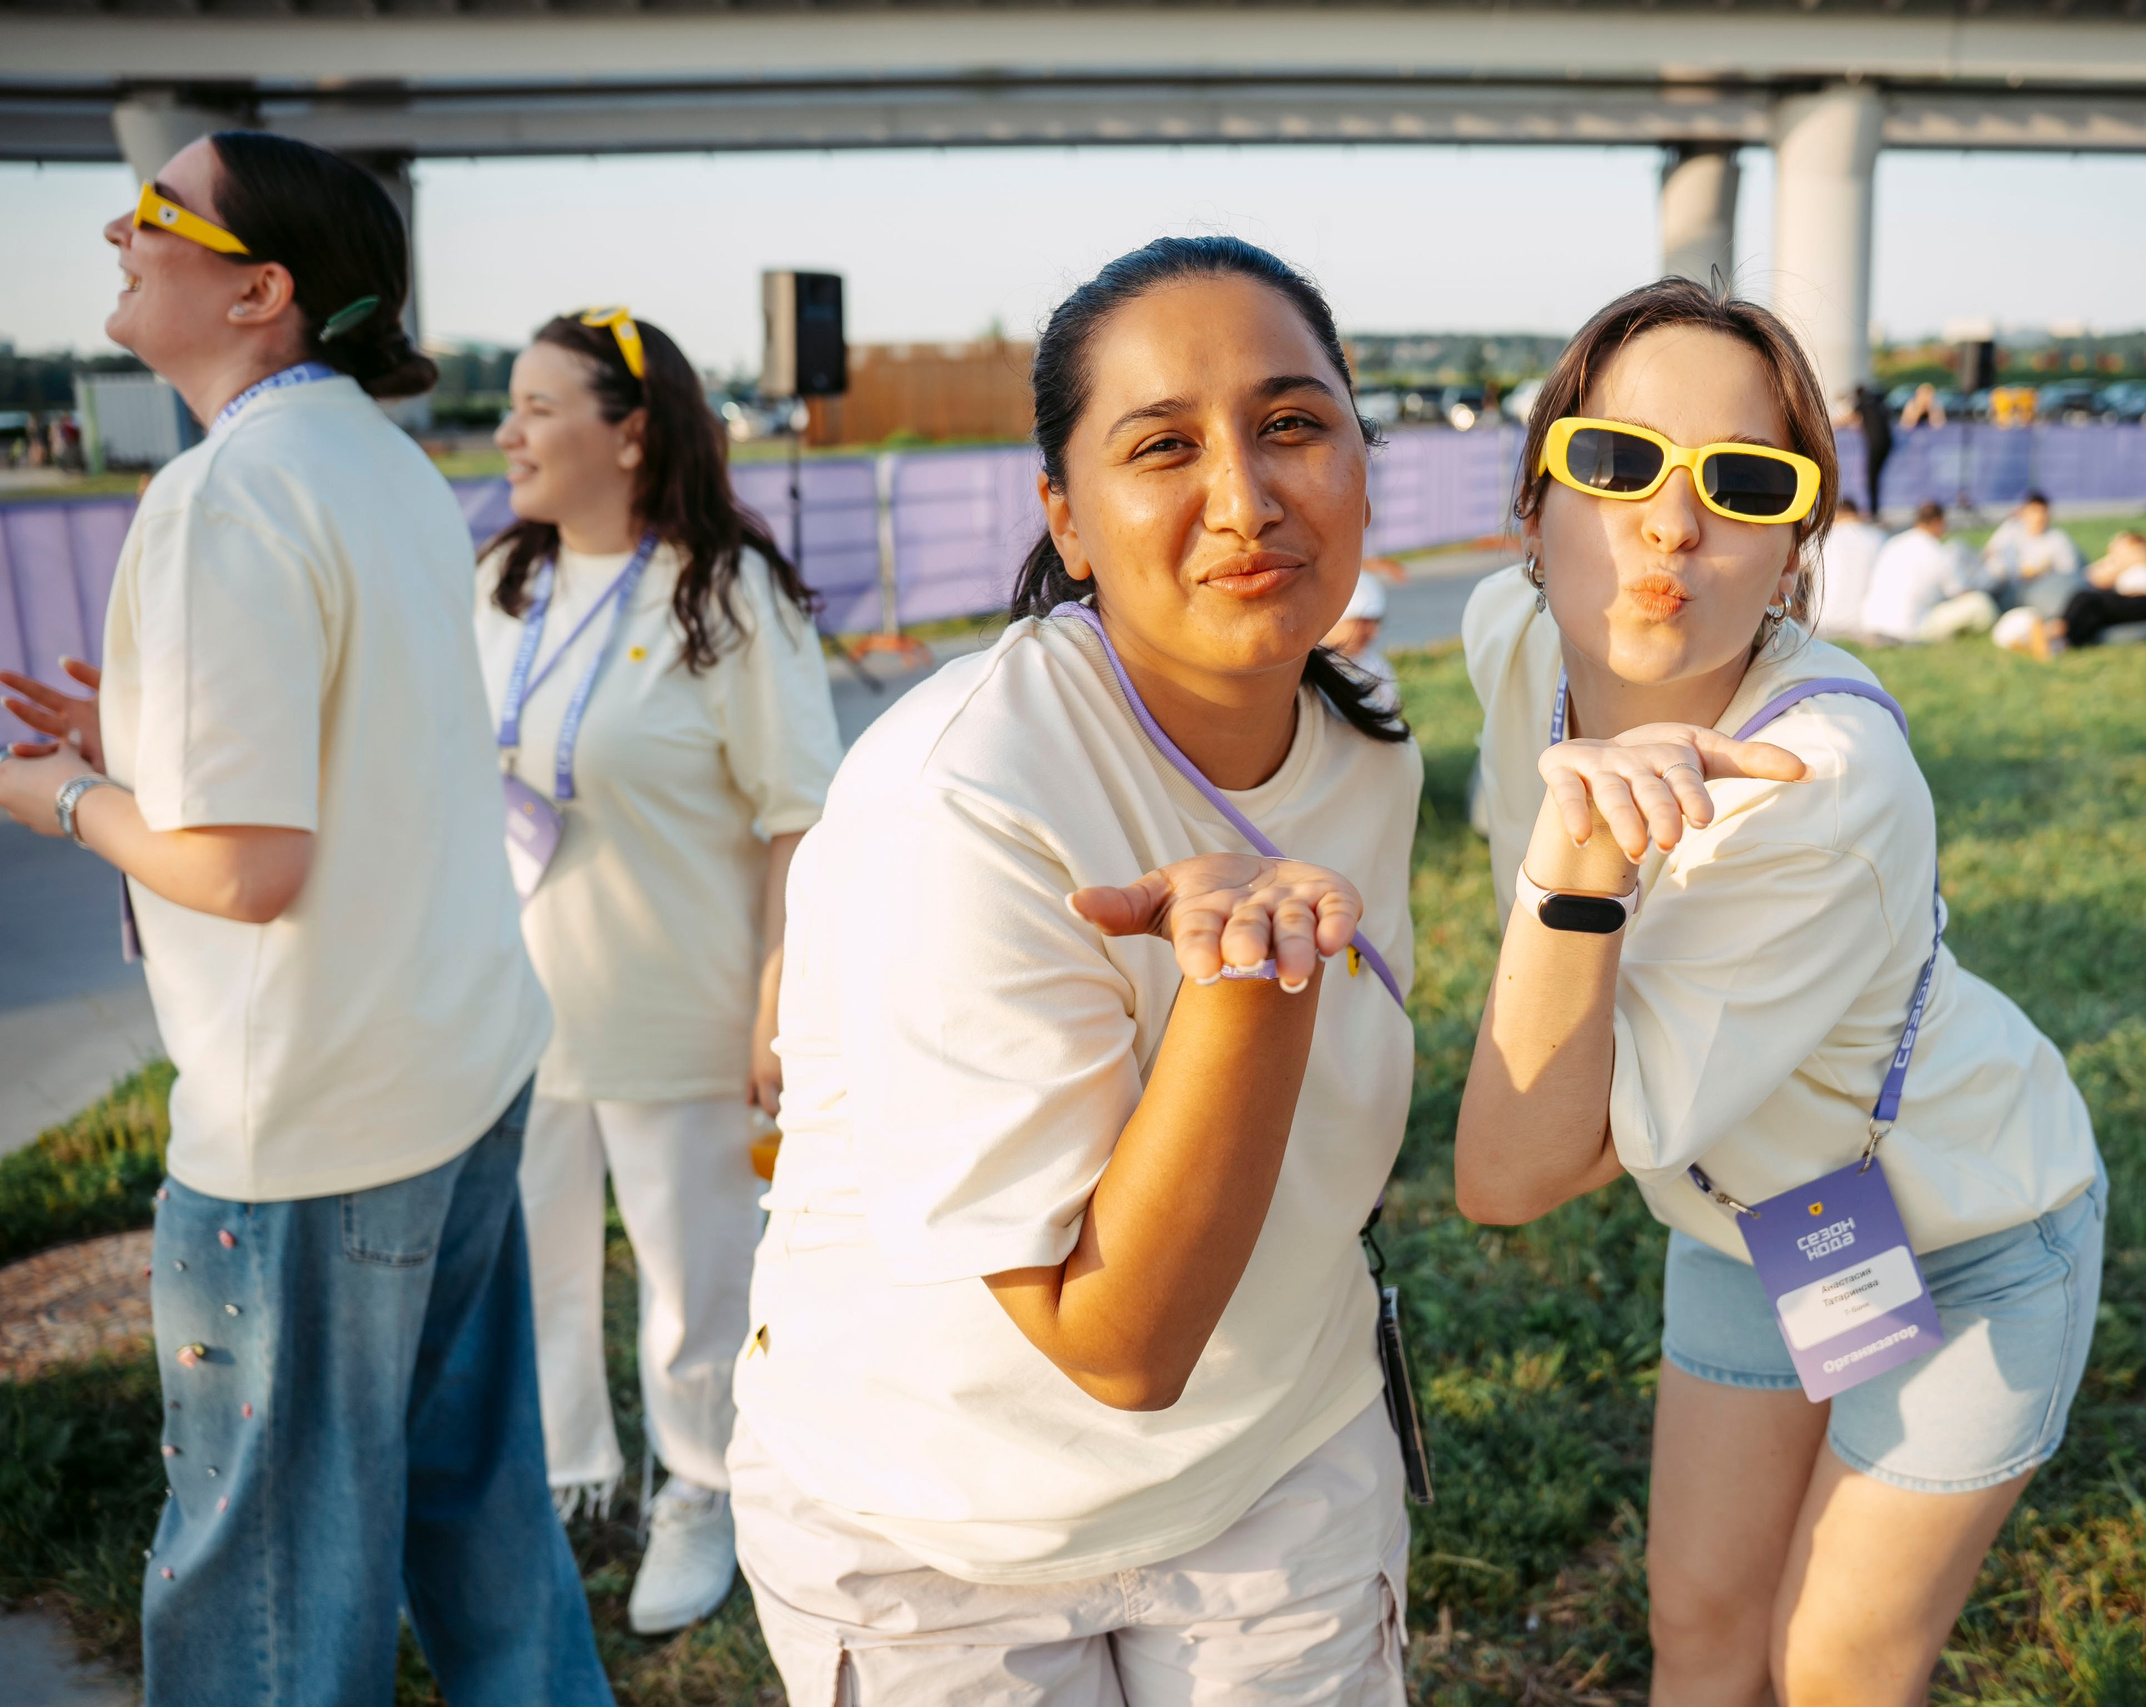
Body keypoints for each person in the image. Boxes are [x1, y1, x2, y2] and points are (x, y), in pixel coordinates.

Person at [729, 236, 1422, 1703]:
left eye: (1295, 423)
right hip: (939, 1520)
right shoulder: (970, 794)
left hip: (1279, 1462)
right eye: (1163, 446)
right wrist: (1256, 974)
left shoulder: (1370, 748)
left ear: (1367, 455)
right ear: (1068, 513)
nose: (1247, 497)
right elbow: (1116, 1340)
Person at [0, 132, 608, 1705]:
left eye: (156, 211)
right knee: (480, 1523)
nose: (118, 231)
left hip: (311, 1132)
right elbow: (361, 747)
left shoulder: (223, 494)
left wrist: (55, 796)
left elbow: (244, 868)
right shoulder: (379, 462)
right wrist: (141, 735)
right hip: (452, 1071)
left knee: (263, 1592)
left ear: (259, 290)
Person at [1454, 277, 2103, 1705]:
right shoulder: (1517, 641)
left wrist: (1575, 873)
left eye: (1743, 482)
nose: (1669, 523)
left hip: (1971, 1230)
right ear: (1531, 508)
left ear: (1797, 552)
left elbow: (1511, 1170)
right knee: (1699, 1624)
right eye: (1614, 461)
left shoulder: (1814, 786)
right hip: (1785, 1221)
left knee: (1833, 1667)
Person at [478, 309, 842, 1632]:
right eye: (508, 406)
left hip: (682, 1010)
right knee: (538, 1265)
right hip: (513, 1009)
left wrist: (776, 1001)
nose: (505, 432)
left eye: (534, 406)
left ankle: (703, 1482)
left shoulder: (727, 593)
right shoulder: (498, 585)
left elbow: (801, 812)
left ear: (627, 434)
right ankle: (577, 1476)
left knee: (695, 1279)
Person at [1999, 530, 2146, 657]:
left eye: (2117, 547)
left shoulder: (2143, 555)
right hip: (2123, 600)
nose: (2113, 553)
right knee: (2089, 613)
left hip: (2144, 602)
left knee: (2086, 600)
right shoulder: (2124, 566)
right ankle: (2056, 644)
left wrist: (2114, 562)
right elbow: (2094, 577)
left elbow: (2127, 563)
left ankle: (2047, 632)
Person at [1859, 501, 1995, 643]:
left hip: (1872, 623)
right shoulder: (1938, 552)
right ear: (1938, 522)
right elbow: (1962, 593)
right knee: (1980, 604)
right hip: (1909, 630)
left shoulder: (1893, 543)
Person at [1980, 490, 2085, 616]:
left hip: (2037, 590)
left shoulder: (2057, 539)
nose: (2038, 517)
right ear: (2024, 513)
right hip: (2005, 584)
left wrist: (2042, 569)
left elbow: (2069, 574)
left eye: (2042, 512)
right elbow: (1988, 552)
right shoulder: (2011, 529)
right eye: (2034, 512)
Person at [1810, 493, 1885, 643]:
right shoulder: (1878, 538)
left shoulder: (1821, 538)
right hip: (1862, 625)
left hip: (1822, 623)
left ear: (1835, 515)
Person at [1322, 567, 1399, 709]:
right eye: (1363, 623)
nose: (1374, 633)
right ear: (1336, 619)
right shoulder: (1303, 670)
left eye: (1376, 622)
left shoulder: (1376, 667)